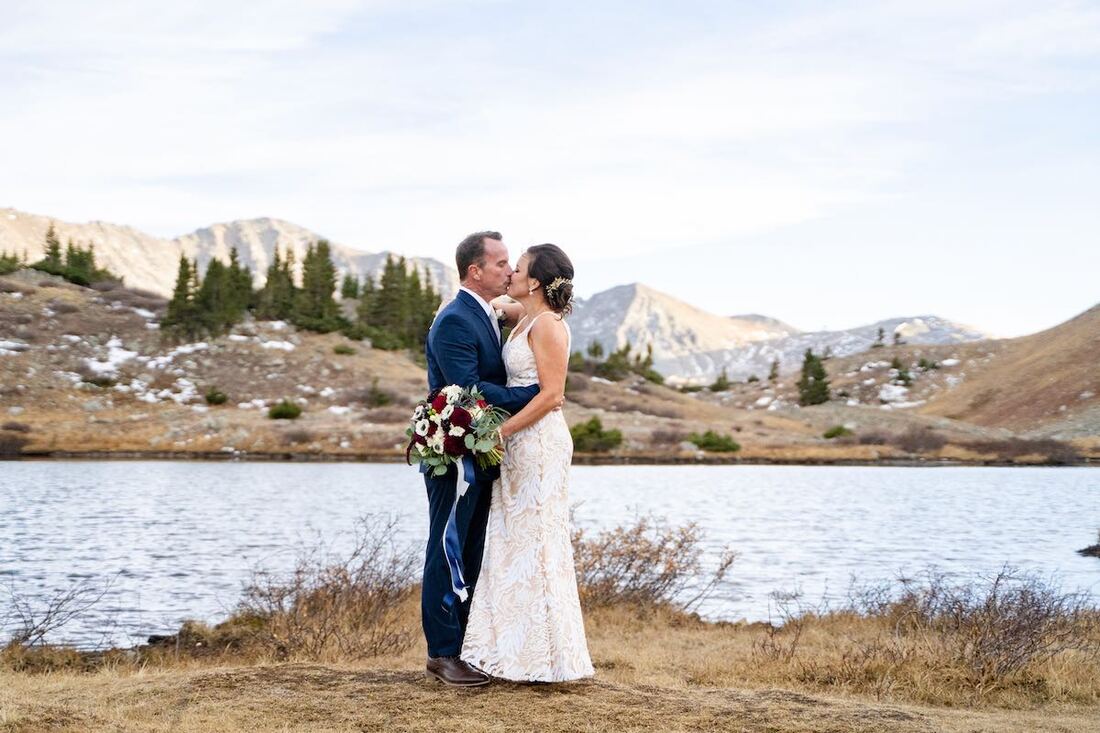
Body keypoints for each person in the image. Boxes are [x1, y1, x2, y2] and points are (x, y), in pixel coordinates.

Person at [460, 243, 594, 682]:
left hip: (538, 444)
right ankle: (508, 651)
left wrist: (501, 432)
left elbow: (553, 395)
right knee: (511, 541)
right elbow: (499, 306)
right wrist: (483, 307)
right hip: (519, 441)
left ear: (535, 281)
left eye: (517, 269)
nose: (510, 275)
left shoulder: (549, 325)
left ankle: (545, 657)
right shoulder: (527, 316)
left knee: (536, 540)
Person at [421, 231, 546, 687]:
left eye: (512, 264)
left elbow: (533, 309)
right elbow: (468, 388)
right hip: (455, 457)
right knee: (447, 547)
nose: (509, 271)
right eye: (500, 264)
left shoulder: (485, 311)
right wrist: (534, 394)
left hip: (481, 451)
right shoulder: (456, 319)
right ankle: (442, 653)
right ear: (475, 271)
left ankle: (465, 646)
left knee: (471, 548)